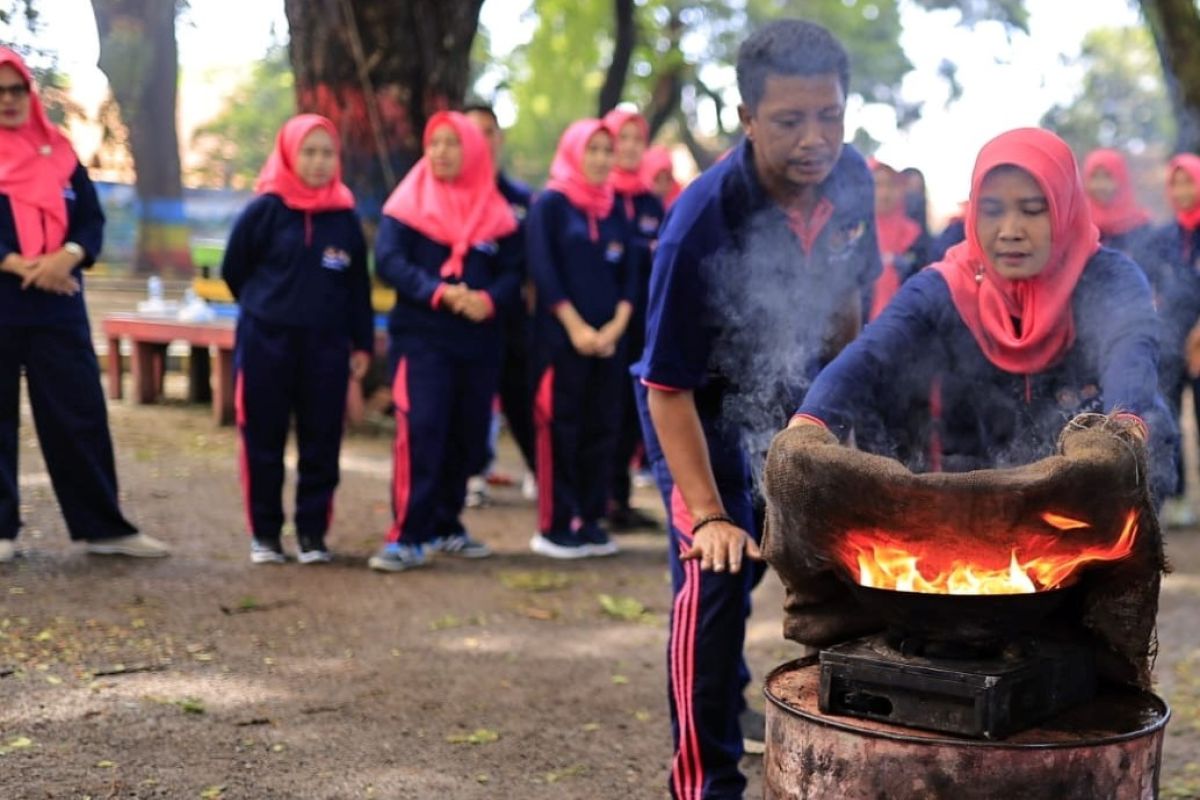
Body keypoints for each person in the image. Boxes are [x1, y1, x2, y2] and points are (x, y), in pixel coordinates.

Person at [634, 21, 881, 798]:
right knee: (717, 580)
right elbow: (664, 387)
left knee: (858, 561)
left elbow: (849, 304)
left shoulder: (855, 183)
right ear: (746, 120)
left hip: (796, 399)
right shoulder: (698, 223)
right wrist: (710, 516)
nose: (816, 140)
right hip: (698, 415)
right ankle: (704, 779)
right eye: (789, 121)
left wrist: (842, 421)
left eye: (831, 117)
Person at [791, 128, 1176, 505]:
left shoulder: (1109, 278)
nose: (1010, 231)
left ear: (1064, 208)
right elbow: (870, 353)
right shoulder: (946, 284)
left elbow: (1132, 352)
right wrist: (811, 423)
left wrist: (1121, 431)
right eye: (991, 211)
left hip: (1092, 487)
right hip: (986, 483)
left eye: (1032, 210)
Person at [0, 47, 169, 563]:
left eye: (16, 90)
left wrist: (66, 256)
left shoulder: (61, 153)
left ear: (31, 95)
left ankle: (103, 527)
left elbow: (90, 221)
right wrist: (17, 263)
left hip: (59, 304)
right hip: (3, 299)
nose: (7, 101)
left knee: (78, 413)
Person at [368, 111, 520, 572]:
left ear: (473, 151)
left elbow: (515, 272)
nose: (441, 153)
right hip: (423, 340)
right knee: (423, 430)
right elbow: (388, 262)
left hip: (478, 343)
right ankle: (407, 535)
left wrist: (489, 302)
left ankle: (446, 524)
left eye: (453, 144)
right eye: (434, 143)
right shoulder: (407, 203)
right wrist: (436, 291)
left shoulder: (498, 211)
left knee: (467, 435)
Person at [221, 114, 373, 564]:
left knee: (322, 441)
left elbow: (357, 290)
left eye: (327, 153)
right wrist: (267, 306)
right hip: (266, 343)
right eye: (309, 151)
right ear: (288, 153)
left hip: (326, 349)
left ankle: (312, 534)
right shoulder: (263, 210)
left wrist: (360, 345)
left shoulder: (345, 217)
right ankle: (265, 535)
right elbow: (235, 269)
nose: (318, 162)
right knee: (263, 439)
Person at [527, 118, 636, 559]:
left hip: (609, 343)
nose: (600, 159)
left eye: (606, 151)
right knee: (561, 429)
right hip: (560, 341)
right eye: (592, 150)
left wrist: (615, 328)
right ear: (573, 152)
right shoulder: (550, 204)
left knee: (602, 428)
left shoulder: (614, 207)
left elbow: (631, 274)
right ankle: (555, 525)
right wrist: (575, 327)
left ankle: (590, 520)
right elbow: (542, 268)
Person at [462, 103, 539, 506]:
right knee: (472, 401)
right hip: (467, 318)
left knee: (522, 398)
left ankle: (539, 472)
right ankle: (472, 471)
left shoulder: (523, 200)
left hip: (516, 319)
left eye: (488, 132)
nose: (481, 141)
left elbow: (534, 263)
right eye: (471, 132)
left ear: (499, 137)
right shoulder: (451, 197)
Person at [603, 107, 665, 531]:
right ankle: (594, 503)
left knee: (631, 415)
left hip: (645, 326)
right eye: (619, 139)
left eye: (635, 141)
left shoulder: (650, 202)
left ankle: (619, 501)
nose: (627, 149)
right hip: (601, 326)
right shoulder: (594, 197)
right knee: (599, 415)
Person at [1143, 153, 1200, 526]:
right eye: (1176, 182)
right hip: (1169, 339)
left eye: (1189, 181)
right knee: (1169, 418)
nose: (1182, 190)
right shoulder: (1162, 237)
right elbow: (1149, 286)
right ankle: (1176, 496)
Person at [867, 158, 930, 321]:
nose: (884, 193)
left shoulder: (914, 235)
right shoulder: (855, 234)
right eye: (877, 185)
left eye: (891, 185)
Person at [1082, 149, 1153, 255]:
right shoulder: (1080, 227)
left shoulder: (1140, 226)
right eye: (1094, 177)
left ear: (1122, 179)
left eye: (1108, 176)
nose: (1101, 185)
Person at [641, 145, 682, 209]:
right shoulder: (644, 206)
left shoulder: (680, 197)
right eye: (657, 180)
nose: (664, 185)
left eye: (668, 179)